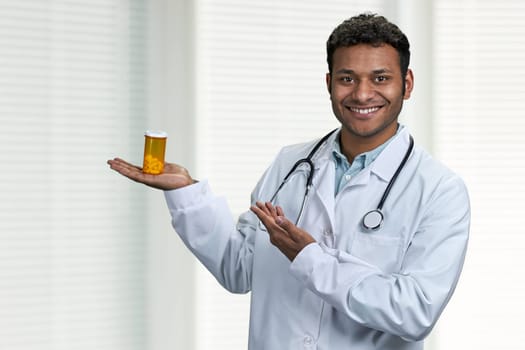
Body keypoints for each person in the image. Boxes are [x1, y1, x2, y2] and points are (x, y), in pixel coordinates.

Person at [108, 13, 470, 350]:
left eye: (380, 78)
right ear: (329, 84)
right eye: (347, 78)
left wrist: (309, 257)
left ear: (406, 85)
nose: (361, 94)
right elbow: (239, 269)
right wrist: (187, 193)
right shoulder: (291, 164)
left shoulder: (439, 191)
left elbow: (415, 312)